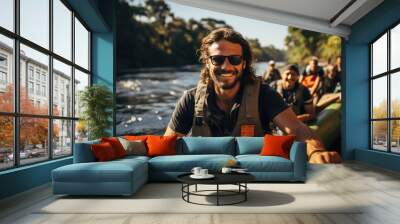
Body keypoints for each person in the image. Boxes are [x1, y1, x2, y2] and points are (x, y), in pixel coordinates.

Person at [164, 28, 341, 164]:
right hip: (206, 176)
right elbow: (167, 145)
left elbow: (298, 129)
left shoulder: (265, 95)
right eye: (217, 59)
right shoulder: (190, 99)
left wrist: (316, 152)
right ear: (207, 62)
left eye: (234, 59)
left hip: (255, 175)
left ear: (244, 63)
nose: (226, 66)